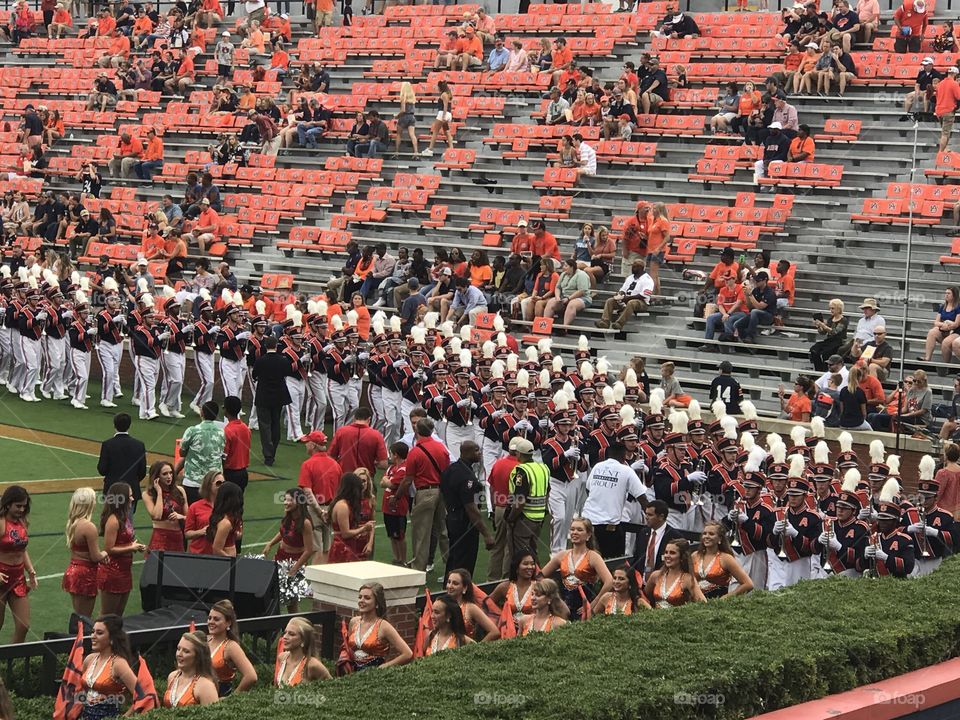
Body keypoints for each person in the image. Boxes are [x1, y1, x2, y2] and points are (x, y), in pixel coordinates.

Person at [397, 418, 450, 572]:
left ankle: (418, 568)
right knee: (443, 531)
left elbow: (408, 480)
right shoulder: (441, 447)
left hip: (425, 492)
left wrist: (397, 496)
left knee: (421, 532)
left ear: (417, 431)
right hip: (442, 491)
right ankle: (451, 567)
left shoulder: (415, 452)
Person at [581, 443, 648, 558]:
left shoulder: (598, 466)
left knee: (587, 560)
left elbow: (588, 489)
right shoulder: (626, 471)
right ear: (624, 456)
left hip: (588, 521)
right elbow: (642, 497)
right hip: (609, 525)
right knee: (612, 563)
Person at [440, 441, 494, 577]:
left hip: (452, 518)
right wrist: (486, 534)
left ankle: (449, 587)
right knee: (464, 563)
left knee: (454, 558)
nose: (480, 453)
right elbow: (471, 508)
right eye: (476, 450)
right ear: (466, 453)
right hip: (464, 524)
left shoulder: (450, 469)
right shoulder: (466, 476)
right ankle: (460, 593)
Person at [541, 518, 613, 619]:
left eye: (579, 530)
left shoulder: (593, 556)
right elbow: (540, 576)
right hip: (562, 610)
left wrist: (594, 603)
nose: (575, 532)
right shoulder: (562, 555)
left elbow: (609, 581)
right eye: (572, 529)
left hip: (583, 610)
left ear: (588, 535)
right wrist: (553, 598)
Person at [337, 583, 413, 674]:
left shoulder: (384, 626)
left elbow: (408, 654)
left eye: (367, 598)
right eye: (360, 597)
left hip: (374, 676)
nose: (362, 600)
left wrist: (384, 667)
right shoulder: (354, 622)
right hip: (352, 674)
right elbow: (348, 649)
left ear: (377, 603)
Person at [79, 615, 142, 718]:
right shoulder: (89, 659)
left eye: (99, 633)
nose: (93, 636)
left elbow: (142, 695)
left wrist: (124, 717)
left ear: (112, 638)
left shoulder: (119, 664)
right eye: (93, 631)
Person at [98, 482, 145, 616]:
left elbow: (123, 541)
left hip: (125, 571)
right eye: (130, 496)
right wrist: (131, 547)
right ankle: (96, 636)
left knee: (118, 614)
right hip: (113, 572)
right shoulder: (113, 520)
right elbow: (109, 549)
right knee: (107, 615)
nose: (133, 498)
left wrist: (134, 546)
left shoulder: (125, 517)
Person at [262, 489, 315, 607]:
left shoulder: (305, 523)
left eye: (290, 500)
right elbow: (284, 532)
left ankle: (294, 622)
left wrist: (293, 570)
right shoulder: (288, 516)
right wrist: (270, 543)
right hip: (280, 557)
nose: (286, 502)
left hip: (295, 561)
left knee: (291, 601)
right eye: (285, 499)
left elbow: (309, 550)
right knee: (274, 592)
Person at [63, 487, 109, 618]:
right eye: (94, 499)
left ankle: (76, 637)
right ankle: (79, 638)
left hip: (73, 570)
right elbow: (95, 557)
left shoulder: (73, 523)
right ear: (89, 503)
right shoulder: (89, 527)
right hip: (85, 574)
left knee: (79, 616)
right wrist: (105, 553)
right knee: (84, 619)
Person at [295, 430, 340, 564]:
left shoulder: (308, 464)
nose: (305, 445)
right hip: (330, 509)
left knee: (315, 548)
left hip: (314, 510)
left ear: (313, 445)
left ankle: (314, 582)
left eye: (307, 442)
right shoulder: (335, 464)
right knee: (327, 548)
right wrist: (329, 510)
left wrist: (319, 511)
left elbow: (308, 492)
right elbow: (339, 492)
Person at [505, 438, 550, 563]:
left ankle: (529, 581)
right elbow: (547, 492)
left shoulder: (522, 470)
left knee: (521, 556)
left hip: (524, 518)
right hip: (539, 517)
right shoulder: (543, 468)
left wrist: (511, 517)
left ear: (519, 453)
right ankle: (538, 579)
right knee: (533, 552)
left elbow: (520, 500)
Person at [0, 486, 34, 643]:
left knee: (24, 625)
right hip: (1, 577)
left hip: (18, 578)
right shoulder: (1, 523)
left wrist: (31, 571)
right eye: (18, 506)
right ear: (7, 504)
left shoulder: (22, 522)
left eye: (24, 506)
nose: (22, 509)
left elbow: (23, 549)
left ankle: (12, 662)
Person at [252, 335, 293, 466]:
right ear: (276, 346)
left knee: (265, 426)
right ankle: (272, 452)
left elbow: (254, 375)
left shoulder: (260, 360)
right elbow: (288, 372)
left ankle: (268, 455)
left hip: (264, 396)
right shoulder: (283, 360)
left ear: (265, 346)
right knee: (275, 424)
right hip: (278, 396)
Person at [205, 599, 258, 697]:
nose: (211, 622)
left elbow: (251, 676)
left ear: (228, 623)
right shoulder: (204, 640)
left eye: (216, 619)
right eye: (209, 618)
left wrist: (231, 698)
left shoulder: (231, 647)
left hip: (219, 698)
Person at [176, 401, 225, 505]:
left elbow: (182, 453)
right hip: (214, 482)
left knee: (192, 515)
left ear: (201, 413)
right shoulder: (222, 433)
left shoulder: (192, 431)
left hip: (193, 482)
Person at [691, 521, 754, 599]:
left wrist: (726, 597)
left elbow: (748, 584)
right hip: (696, 603)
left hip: (717, 603)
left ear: (720, 538)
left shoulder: (726, 558)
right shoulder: (695, 556)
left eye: (711, 534)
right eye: (704, 533)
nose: (706, 536)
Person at [97, 413, 146, 511]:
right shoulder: (139, 445)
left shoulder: (108, 444)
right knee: (128, 522)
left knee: (110, 518)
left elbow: (102, 469)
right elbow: (142, 471)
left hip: (112, 489)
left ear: (114, 425)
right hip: (131, 489)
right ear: (129, 425)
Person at [645, 538, 707, 607]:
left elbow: (703, 603)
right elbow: (644, 598)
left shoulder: (687, 579)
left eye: (672, 553)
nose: (667, 556)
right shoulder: (655, 575)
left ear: (682, 557)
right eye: (666, 552)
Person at [163, 631, 219, 707]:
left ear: (198, 656)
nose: (179, 654)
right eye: (178, 649)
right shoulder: (172, 676)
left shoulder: (206, 686)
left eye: (186, 651)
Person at [328, 473, 375, 563]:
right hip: (342, 549)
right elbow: (345, 533)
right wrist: (364, 528)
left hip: (349, 547)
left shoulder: (346, 504)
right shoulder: (343, 506)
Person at [327, 406, 388, 475]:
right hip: (365, 479)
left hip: (345, 477)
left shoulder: (341, 431)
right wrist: (373, 462)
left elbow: (331, 456)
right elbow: (383, 464)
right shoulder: (376, 435)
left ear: (354, 418)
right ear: (369, 419)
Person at [442, 569, 500, 641]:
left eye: (455, 583)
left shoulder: (470, 608)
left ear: (464, 588)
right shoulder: (442, 605)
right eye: (449, 582)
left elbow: (494, 632)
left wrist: (475, 649)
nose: (450, 586)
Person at [142, 460, 187, 552]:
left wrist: (181, 516)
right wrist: (159, 492)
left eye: (171, 473)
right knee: (157, 565)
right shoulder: (148, 494)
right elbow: (157, 516)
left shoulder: (180, 490)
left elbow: (189, 517)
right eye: (165, 474)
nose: (169, 476)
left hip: (177, 536)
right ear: (156, 477)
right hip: (160, 537)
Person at [597, 259, 654, 331]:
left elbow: (643, 295)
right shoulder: (630, 278)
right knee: (610, 301)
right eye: (633, 266)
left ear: (641, 268)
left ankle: (619, 323)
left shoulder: (648, 279)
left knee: (631, 302)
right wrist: (620, 294)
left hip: (642, 302)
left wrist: (627, 298)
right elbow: (623, 289)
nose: (633, 268)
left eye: (635, 267)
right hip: (626, 299)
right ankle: (605, 322)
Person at [275, 617, 331, 686]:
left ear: (303, 640)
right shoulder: (282, 658)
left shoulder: (312, 665)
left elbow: (333, 686)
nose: (285, 637)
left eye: (291, 634)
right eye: (285, 632)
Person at [635, 500, 682, 580]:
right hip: (640, 582)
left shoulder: (674, 536)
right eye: (646, 514)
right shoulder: (643, 533)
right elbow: (637, 557)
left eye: (650, 515)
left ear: (661, 517)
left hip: (662, 581)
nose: (646, 517)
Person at [380, 442, 410, 567]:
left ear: (396, 455)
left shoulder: (403, 469)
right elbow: (383, 482)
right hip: (387, 506)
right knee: (392, 534)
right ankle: (396, 558)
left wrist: (389, 481)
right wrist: (389, 482)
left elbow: (391, 484)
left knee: (400, 535)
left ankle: (403, 559)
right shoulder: (391, 468)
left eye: (391, 453)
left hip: (398, 507)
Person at [185, 470, 222, 554]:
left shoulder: (228, 506)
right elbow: (187, 533)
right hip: (199, 553)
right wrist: (201, 531)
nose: (222, 486)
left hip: (221, 554)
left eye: (224, 483)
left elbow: (238, 534)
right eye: (218, 483)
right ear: (208, 485)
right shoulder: (195, 507)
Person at [204, 481, 243, 557]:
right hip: (225, 562)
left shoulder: (228, 518)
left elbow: (234, 537)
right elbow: (216, 549)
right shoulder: (225, 523)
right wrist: (230, 561)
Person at [837, 365, 871, 430]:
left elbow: (842, 410)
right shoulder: (860, 392)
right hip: (857, 423)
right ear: (859, 378)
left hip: (843, 422)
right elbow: (864, 413)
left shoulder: (843, 390)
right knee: (871, 432)